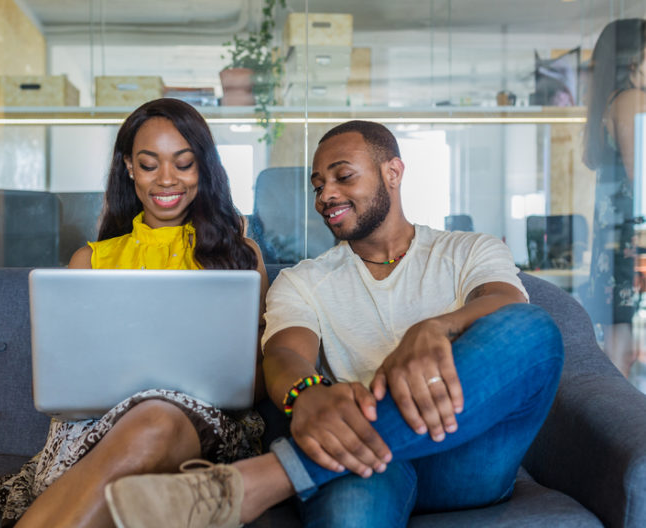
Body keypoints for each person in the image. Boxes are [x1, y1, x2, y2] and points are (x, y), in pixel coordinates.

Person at [102, 120, 564, 528]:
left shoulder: (469, 250)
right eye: (318, 185)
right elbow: (284, 355)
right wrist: (307, 393)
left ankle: (273, 476)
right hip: (359, 455)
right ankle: (300, 469)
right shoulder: (305, 279)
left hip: (467, 457)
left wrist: (436, 328)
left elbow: (502, 302)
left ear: (393, 173)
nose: (327, 195)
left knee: (533, 330)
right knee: (351, 506)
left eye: (343, 176)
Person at [0, 98, 269, 528]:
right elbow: (68, 381)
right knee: (148, 422)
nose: (166, 179)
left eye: (183, 164)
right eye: (149, 165)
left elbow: (257, 382)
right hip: (101, 428)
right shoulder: (90, 262)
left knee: (157, 418)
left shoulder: (239, 257)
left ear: (203, 168)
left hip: (208, 428)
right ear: (129, 167)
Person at [583, 19, 646, 377]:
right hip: (629, 241)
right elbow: (643, 177)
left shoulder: (613, 100)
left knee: (618, 350)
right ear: (633, 59)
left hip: (617, 240)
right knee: (620, 354)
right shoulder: (632, 100)